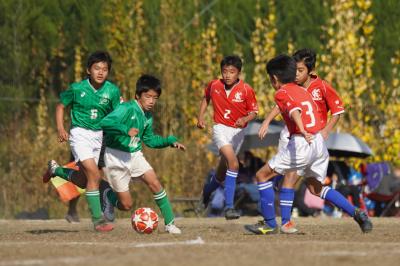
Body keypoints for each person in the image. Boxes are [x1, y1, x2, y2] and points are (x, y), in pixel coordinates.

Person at [244, 54, 372, 235]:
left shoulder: (282, 92)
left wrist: (302, 129)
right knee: (315, 188)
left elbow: (294, 110)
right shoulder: (303, 90)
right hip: (317, 143)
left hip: (302, 141)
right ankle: (356, 212)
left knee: (262, 175)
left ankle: (270, 223)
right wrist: (268, 122)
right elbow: (292, 106)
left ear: (274, 79)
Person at [43, 51, 121, 232]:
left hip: (99, 136)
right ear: (88, 70)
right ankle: (98, 220)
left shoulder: (112, 91)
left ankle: (56, 170)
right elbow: (60, 106)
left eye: (105, 69)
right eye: (97, 68)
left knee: (84, 180)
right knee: (94, 175)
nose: (101, 72)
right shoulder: (77, 89)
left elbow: (117, 115)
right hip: (79, 134)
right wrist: (61, 129)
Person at [99, 74, 185, 234]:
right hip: (115, 157)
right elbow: (105, 123)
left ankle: (170, 224)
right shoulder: (126, 108)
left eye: (155, 97)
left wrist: (169, 141)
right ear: (138, 95)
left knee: (155, 183)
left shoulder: (148, 116)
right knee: (126, 205)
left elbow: (150, 140)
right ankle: (108, 195)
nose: (151, 101)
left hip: (134, 155)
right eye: (148, 96)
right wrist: (125, 130)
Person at [197, 55, 258, 220]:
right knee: (234, 163)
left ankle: (207, 191)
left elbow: (254, 112)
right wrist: (201, 117)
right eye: (225, 71)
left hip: (238, 133)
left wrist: (245, 119)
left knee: (222, 173)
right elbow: (206, 98)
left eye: (232, 72)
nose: (228, 75)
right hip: (220, 129)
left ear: (238, 73)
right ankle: (229, 208)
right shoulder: (214, 85)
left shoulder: (246, 90)